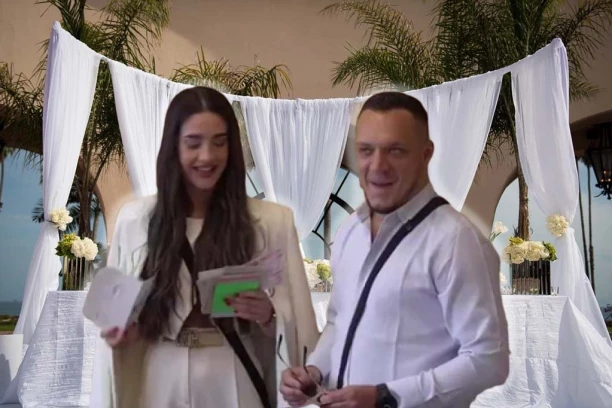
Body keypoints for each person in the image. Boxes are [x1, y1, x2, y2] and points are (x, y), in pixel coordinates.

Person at [90, 86, 319, 408]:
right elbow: (117, 317)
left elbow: (298, 319)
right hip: (159, 376)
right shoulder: (137, 220)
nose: (207, 156)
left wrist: (268, 314)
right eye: (193, 143)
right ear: (174, 146)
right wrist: (123, 334)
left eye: (219, 142)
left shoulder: (271, 222)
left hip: (233, 372)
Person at [280, 92, 509, 408]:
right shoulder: (350, 231)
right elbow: (338, 322)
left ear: (426, 154)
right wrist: (315, 371)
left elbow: (488, 360)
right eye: (366, 150)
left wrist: (385, 397)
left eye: (395, 151)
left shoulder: (456, 240)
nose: (377, 166)